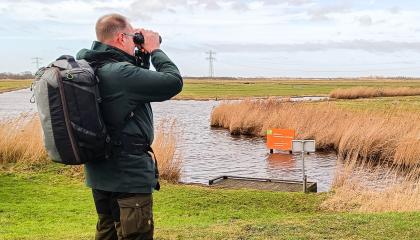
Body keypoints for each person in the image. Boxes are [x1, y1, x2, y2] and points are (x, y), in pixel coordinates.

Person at [76, 13, 183, 240]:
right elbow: (173, 82)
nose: (136, 40)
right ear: (121, 38)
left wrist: (141, 58)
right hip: (128, 174)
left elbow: (135, 84)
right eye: (134, 36)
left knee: (108, 232)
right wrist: (155, 50)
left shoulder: (92, 67)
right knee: (135, 235)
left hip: (100, 173)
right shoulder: (120, 73)